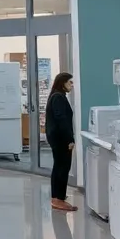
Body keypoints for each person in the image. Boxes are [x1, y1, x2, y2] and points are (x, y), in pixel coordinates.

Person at [45, 72, 76, 211]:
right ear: (62, 83)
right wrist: (69, 139)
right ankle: (58, 198)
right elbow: (61, 119)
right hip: (60, 138)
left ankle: (57, 196)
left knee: (59, 166)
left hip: (56, 136)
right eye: (70, 82)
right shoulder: (58, 97)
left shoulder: (58, 96)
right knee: (63, 167)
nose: (72, 85)